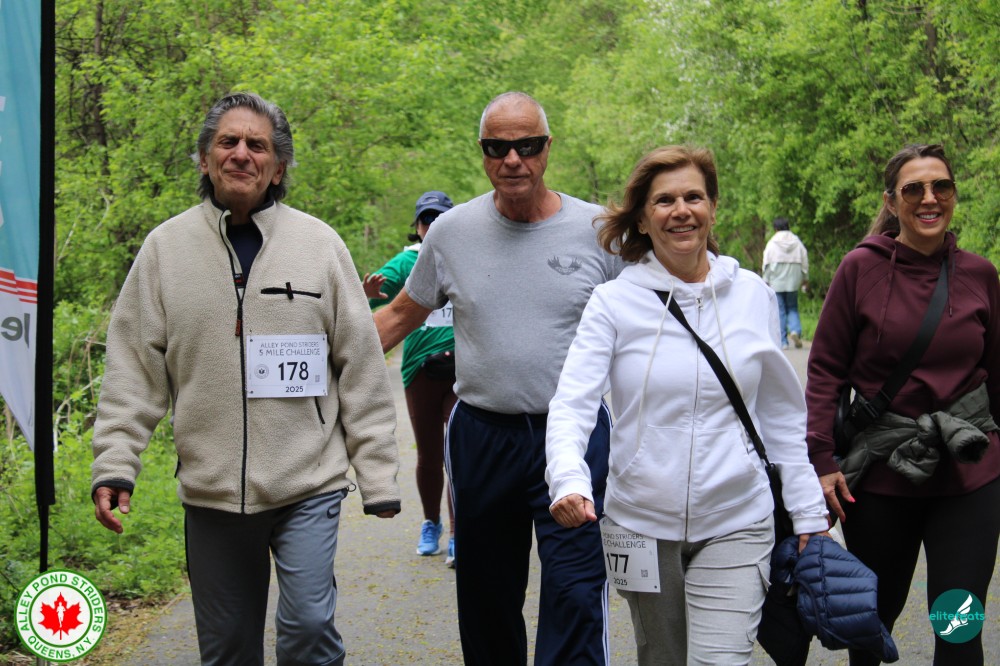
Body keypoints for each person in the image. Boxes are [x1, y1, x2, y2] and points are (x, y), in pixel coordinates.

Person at [90, 92, 401, 666]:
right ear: (204, 159)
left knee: (308, 628)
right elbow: (133, 369)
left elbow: (359, 365)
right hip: (210, 491)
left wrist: (377, 475)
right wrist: (115, 463)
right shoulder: (164, 250)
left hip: (308, 481)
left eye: (257, 145)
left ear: (278, 168)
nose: (241, 154)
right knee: (228, 649)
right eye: (227, 142)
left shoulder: (319, 246)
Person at [545, 145, 829, 665]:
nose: (681, 210)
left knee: (720, 660)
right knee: (663, 658)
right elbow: (573, 402)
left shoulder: (753, 295)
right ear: (643, 219)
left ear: (713, 208)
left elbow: (780, 417)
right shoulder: (613, 302)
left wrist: (808, 509)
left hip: (738, 516)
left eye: (694, 197)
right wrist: (568, 478)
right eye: (664, 200)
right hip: (639, 524)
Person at [374, 91, 623, 665]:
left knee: (576, 591)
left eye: (527, 146)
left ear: (547, 148)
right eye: (498, 147)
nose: (513, 160)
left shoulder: (598, 230)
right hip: (482, 434)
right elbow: (399, 317)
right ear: (483, 152)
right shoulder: (451, 232)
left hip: (575, 437)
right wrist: (318, 360)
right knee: (487, 597)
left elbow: (651, 322)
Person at [806, 143, 1000, 666]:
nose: (929, 198)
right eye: (914, 189)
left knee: (958, 626)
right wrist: (821, 460)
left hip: (967, 476)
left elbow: (997, 374)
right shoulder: (860, 269)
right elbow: (825, 370)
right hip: (880, 479)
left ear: (954, 195)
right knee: (873, 624)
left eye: (941, 186)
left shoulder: (980, 274)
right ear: (891, 202)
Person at [363, 190, 458, 566]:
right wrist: (367, 293)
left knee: (458, 452)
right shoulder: (406, 263)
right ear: (417, 226)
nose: (432, 226)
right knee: (430, 454)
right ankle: (431, 523)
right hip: (420, 369)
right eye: (426, 219)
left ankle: (459, 533)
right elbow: (368, 300)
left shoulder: (466, 255)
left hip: (463, 371)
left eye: (440, 219)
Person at [762, 216, 809, 349]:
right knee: (792, 307)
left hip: (777, 280)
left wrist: (765, 280)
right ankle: (795, 330)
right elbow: (804, 261)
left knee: (780, 310)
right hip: (793, 280)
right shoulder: (797, 242)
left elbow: (766, 263)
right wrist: (805, 279)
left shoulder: (772, 243)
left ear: (775, 228)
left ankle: (783, 341)